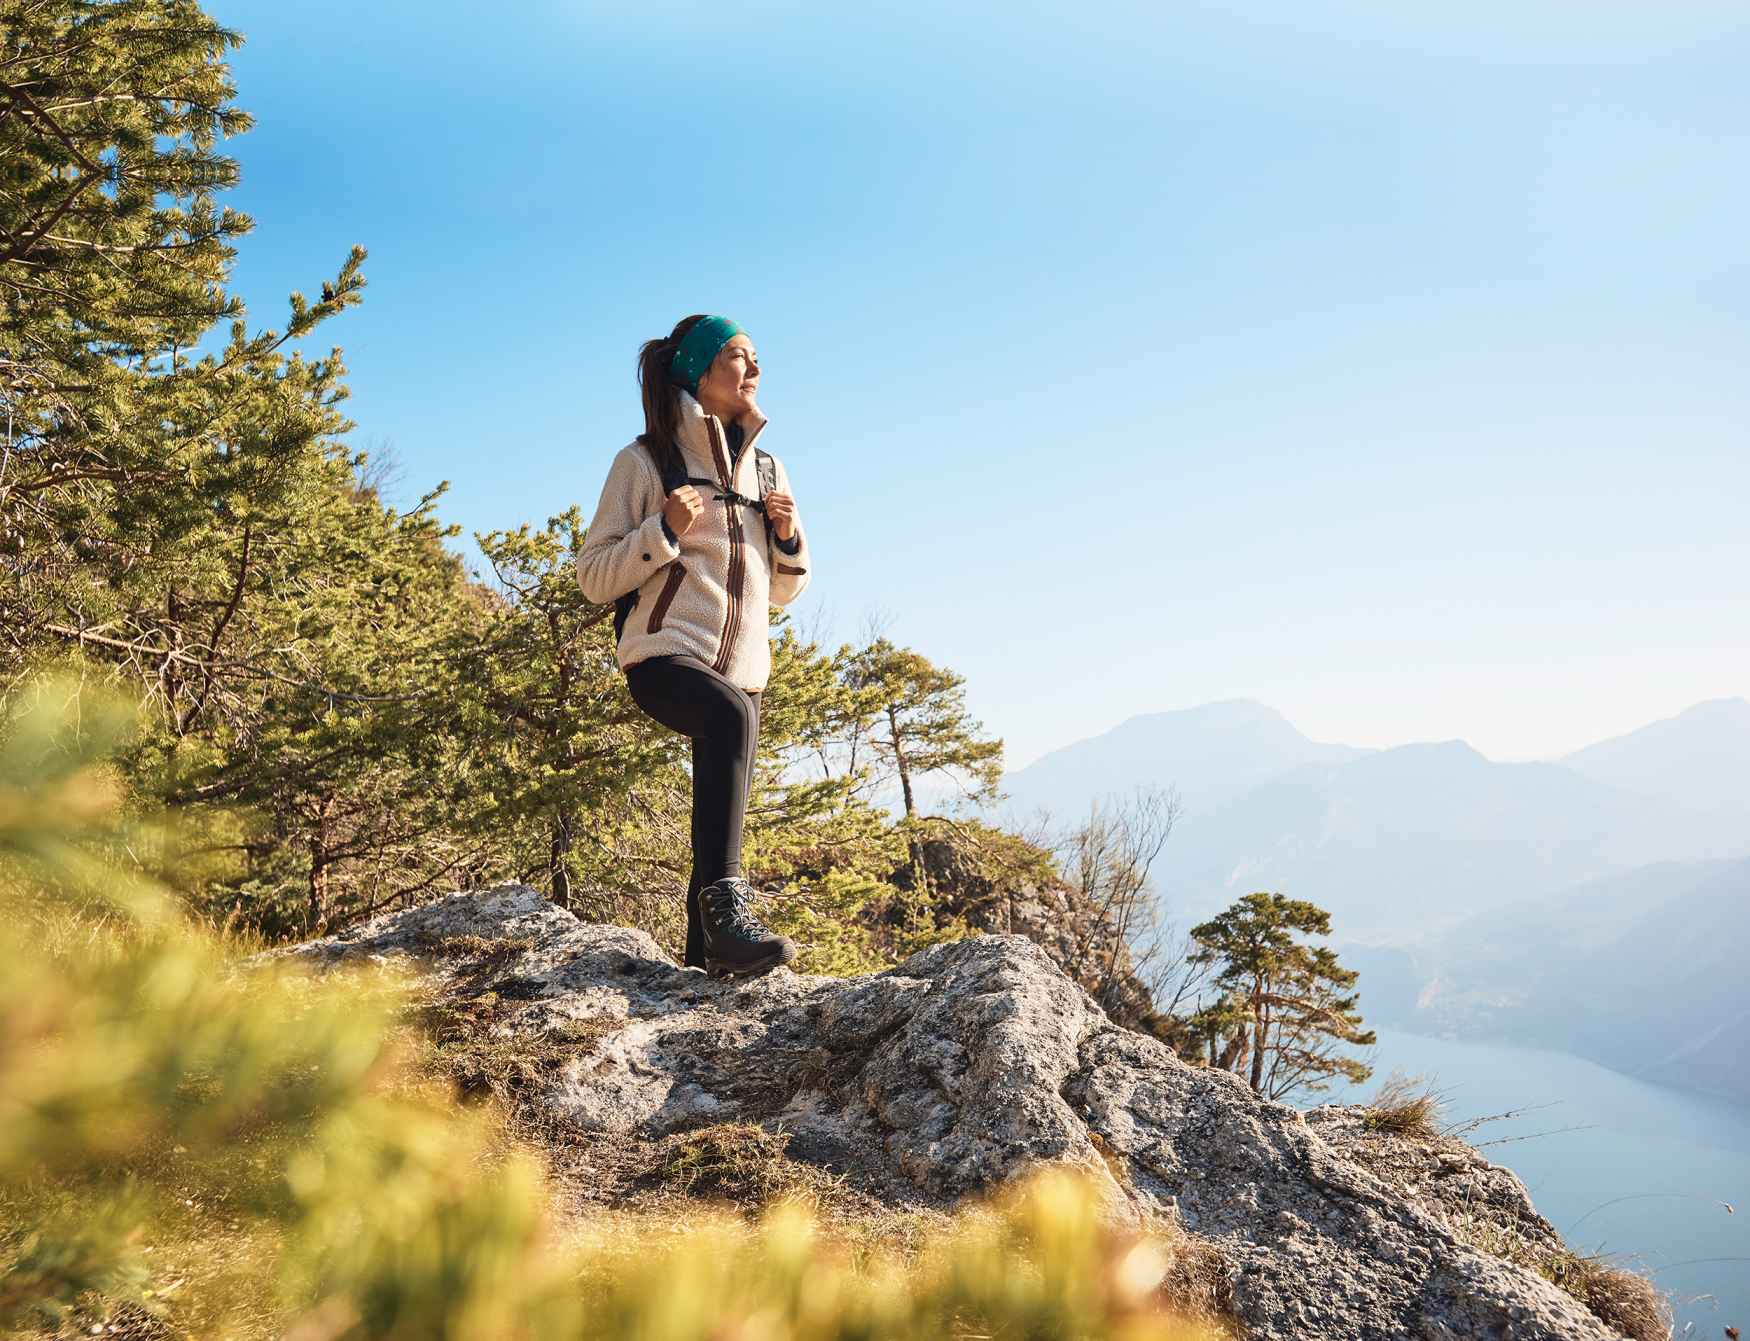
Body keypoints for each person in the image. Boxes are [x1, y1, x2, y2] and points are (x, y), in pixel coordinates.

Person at [575, 315, 812, 979]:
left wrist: (787, 537)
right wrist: (663, 529)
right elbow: (594, 575)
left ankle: (706, 959)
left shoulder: (766, 468)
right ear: (701, 373)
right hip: (663, 654)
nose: (756, 370)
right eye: (741, 357)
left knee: (717, 805)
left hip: (740, 672)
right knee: (729, 721)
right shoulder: (646, 461)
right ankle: (730, 924)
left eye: (756, 357)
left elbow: (784, 590)